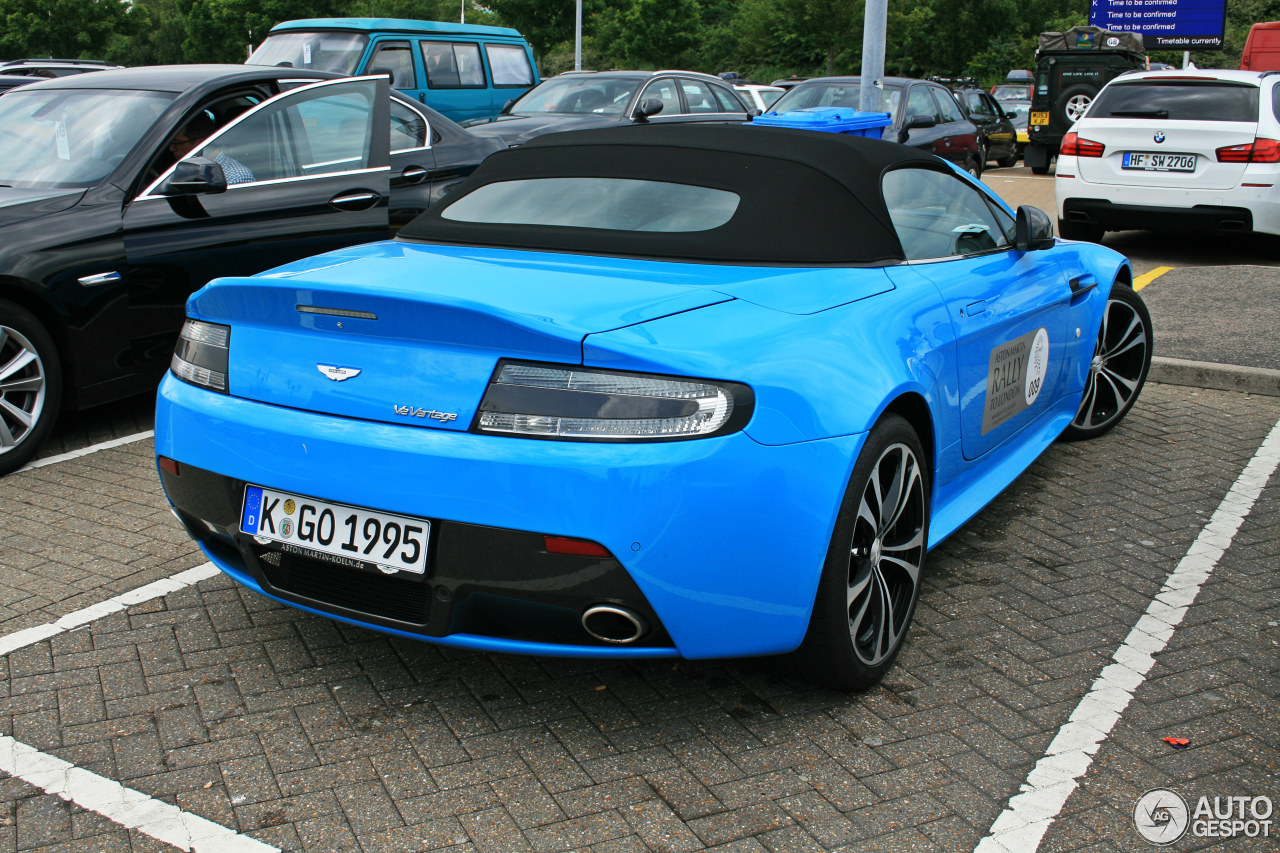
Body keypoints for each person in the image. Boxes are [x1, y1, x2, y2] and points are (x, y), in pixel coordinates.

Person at [168, 112, 255, 185]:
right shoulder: (180, 168)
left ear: (199, 144)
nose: (171, 148)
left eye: (176, 143)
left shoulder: (235, 177)